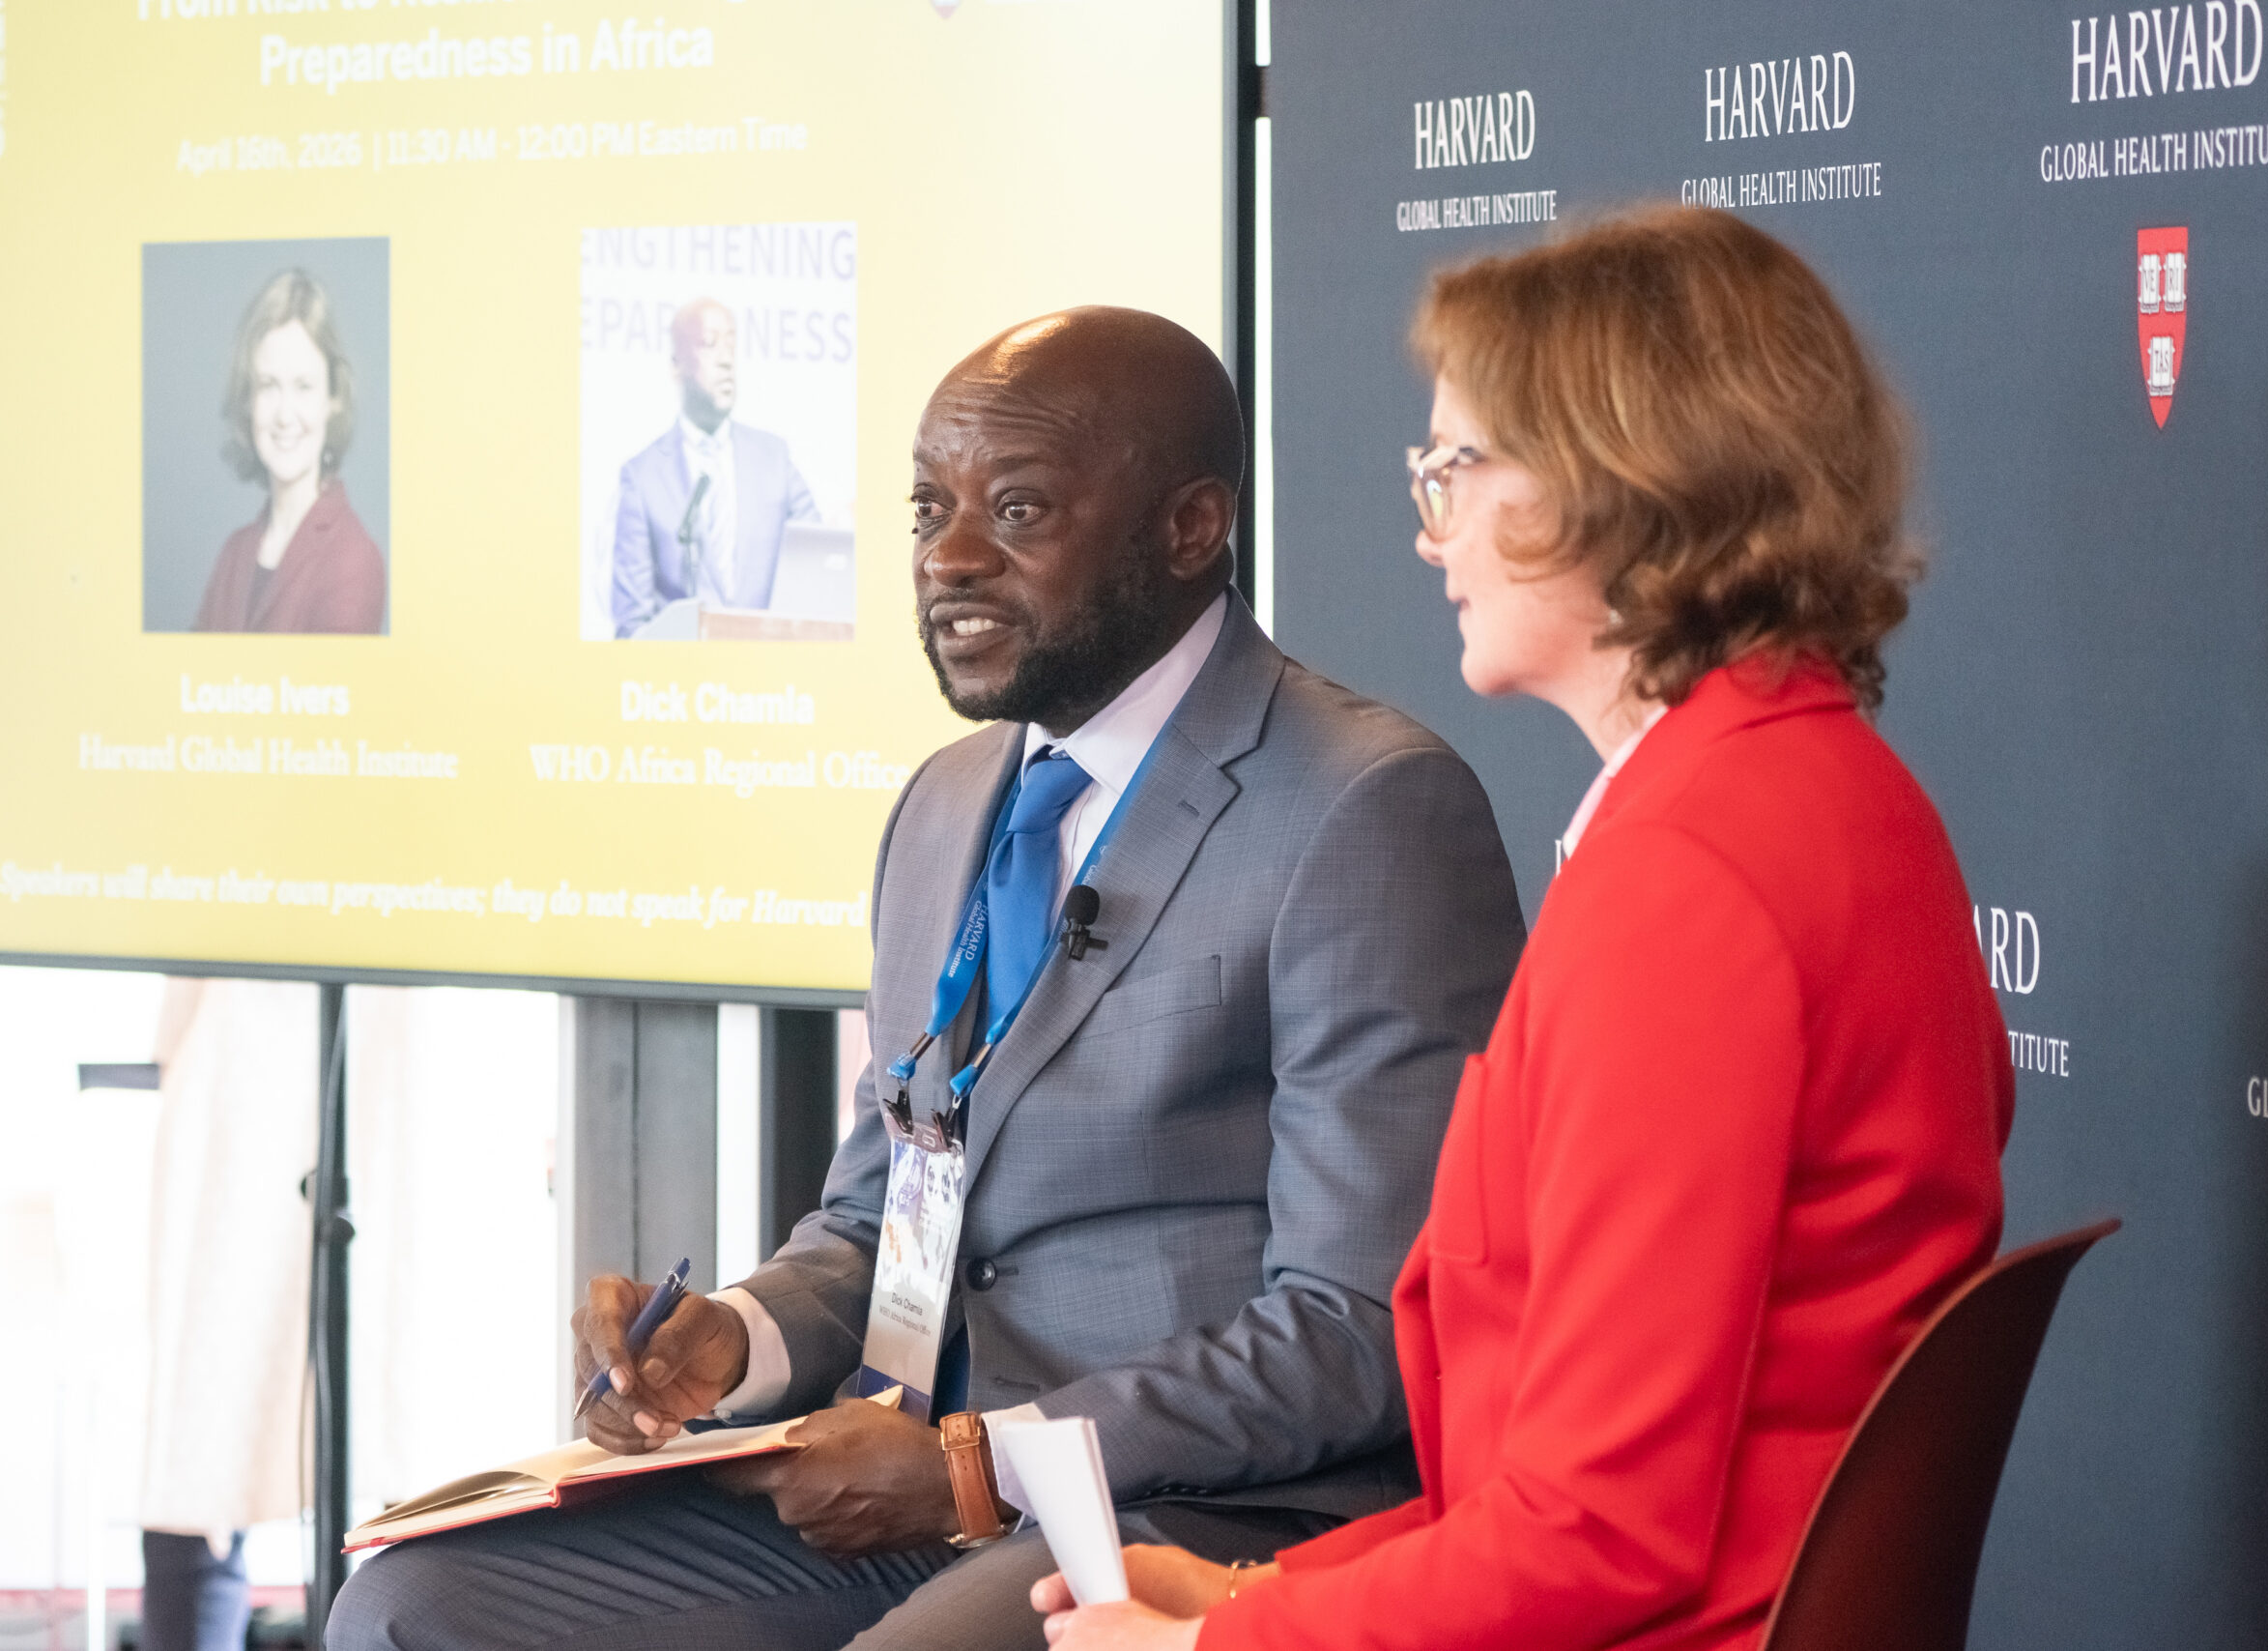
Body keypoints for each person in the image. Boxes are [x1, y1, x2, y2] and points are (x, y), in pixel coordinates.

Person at [328, 307, 1528, 1650]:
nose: (949, 558)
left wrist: (982, 1463)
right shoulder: (946, 803)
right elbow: (883, 1211)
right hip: (907, 1482)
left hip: (1199, 1507)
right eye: (926, 510)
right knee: (415, 1608)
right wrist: (734, 1339)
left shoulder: (1361, 806)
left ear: (1190, 528)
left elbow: (1360, 1326)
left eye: (1016, 510)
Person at [1031, 209, 2015, 1649]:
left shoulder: (1691, 872)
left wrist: (1218, 1648)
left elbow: (1600, 1533)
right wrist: (1262, 1595)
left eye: (1458, 468)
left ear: (1622, 477)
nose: (1428, 531)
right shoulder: (1828, 789)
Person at [610, 298, 820, 636]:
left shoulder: (774, 458)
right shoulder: (642, 476)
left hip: (770, 666)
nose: (726, 360)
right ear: (677, 365)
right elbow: (632, 627)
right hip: (679, 669)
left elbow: (820, 560)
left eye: (731, 344)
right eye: (709, 344)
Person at [192, 269, 387, 634]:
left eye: (303, 386)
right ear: (248, 400)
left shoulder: (353, 559)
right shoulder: (233, 555)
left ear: (333, 399)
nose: (284, 415)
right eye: (268, 386)